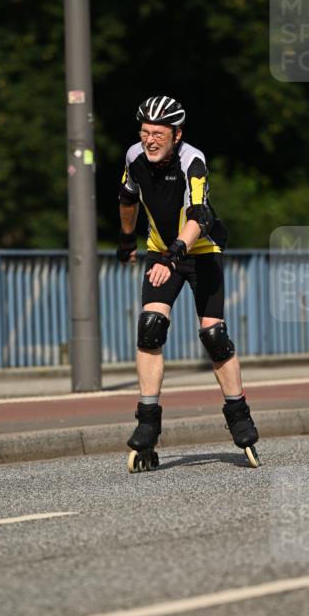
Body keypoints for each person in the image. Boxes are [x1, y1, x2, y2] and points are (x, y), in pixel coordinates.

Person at [116, 95, 260, 469]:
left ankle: (239, 415)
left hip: (201, 251)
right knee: (150, 328)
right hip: (161, 251)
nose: (149, 140)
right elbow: (128, 198)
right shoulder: (134, 156)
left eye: (158, 134)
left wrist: (174, 256)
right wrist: (127, 239)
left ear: (176, 135)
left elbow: (200, 216)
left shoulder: (192, 160)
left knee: (214, 335)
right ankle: (147, 424)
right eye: (145, 132)